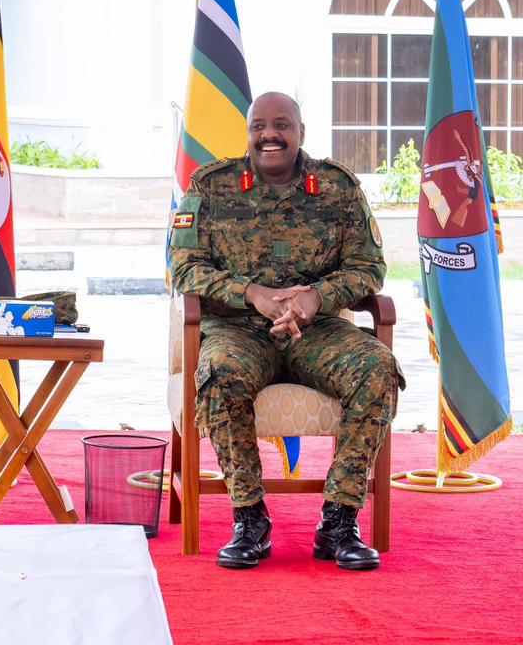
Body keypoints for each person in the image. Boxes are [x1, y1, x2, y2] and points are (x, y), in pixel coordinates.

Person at [168, 91, 404, 571]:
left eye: (281, 125)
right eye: (259, 126)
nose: (269, 135)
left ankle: (339, 522)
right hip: (238, 329)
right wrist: (250, 291)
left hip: (315, 332)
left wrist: (316, 297)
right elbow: (183, 268)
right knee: (219, 373)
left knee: (378, 368)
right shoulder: (212, 187)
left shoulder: (337, 188)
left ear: (301, 132)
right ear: (249, 132)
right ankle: (250, 520)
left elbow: (369, 267)